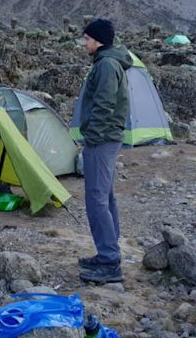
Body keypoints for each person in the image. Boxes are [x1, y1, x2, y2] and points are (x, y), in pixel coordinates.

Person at [76, 18, 132, 283]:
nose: (84, 43)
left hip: (102, 141)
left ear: (97, 41)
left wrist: (92, 138)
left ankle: (110, 262)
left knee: (96, 199)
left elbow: (104, 105)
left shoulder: (107, 65)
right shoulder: (107, 62)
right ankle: (108, 251)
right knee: (105, 197)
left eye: (86, 38)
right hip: (107, 139)